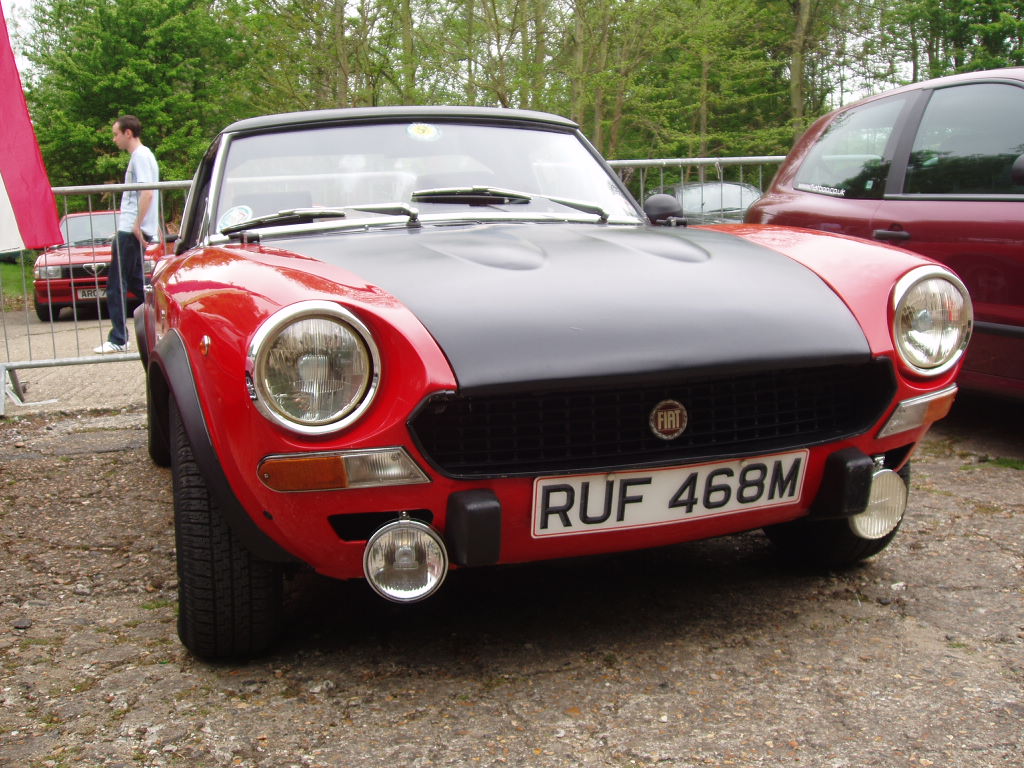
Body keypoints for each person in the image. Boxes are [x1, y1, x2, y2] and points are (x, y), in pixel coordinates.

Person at [94, 115, 160, 354]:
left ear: (128, 133)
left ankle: (119, 338)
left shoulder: (140, 157)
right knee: (135, 281)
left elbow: (147, 193)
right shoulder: (145, 156)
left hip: (131, 228)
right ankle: (165, 312)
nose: (115, 139)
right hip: (135, 227)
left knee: (116, 283)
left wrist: (136, 224)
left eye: (116, 134)